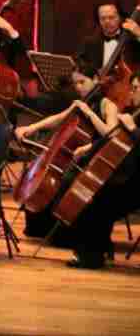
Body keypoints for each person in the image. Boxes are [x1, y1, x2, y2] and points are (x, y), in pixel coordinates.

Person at [64, 71, 140, 269]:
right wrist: (90, 148)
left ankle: (91, 256)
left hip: (137, 182)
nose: (132, 93)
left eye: (136, 88)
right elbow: (115, 140)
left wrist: (133, 130)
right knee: (97, 193)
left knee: (99, 200)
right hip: (128, 175)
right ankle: (96, 249)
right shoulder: (136, 112)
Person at [77, 1, 140, 69]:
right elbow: (77, 65)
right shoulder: (89, 42)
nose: (107, 22)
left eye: (111, 17)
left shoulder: (132, 40)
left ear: (120, 18)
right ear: (99, 20)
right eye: (103, 18)